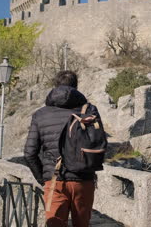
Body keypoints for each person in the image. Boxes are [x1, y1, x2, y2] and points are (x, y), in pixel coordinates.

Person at [24, 70, 97, 227]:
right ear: (76, 87)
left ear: (55, 87)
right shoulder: (89, 110)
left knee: (55, 223)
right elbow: (98, 144)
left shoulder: (40, 114)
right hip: (83, 180)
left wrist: (44, 178)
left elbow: (29, 153)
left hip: (55, 180)